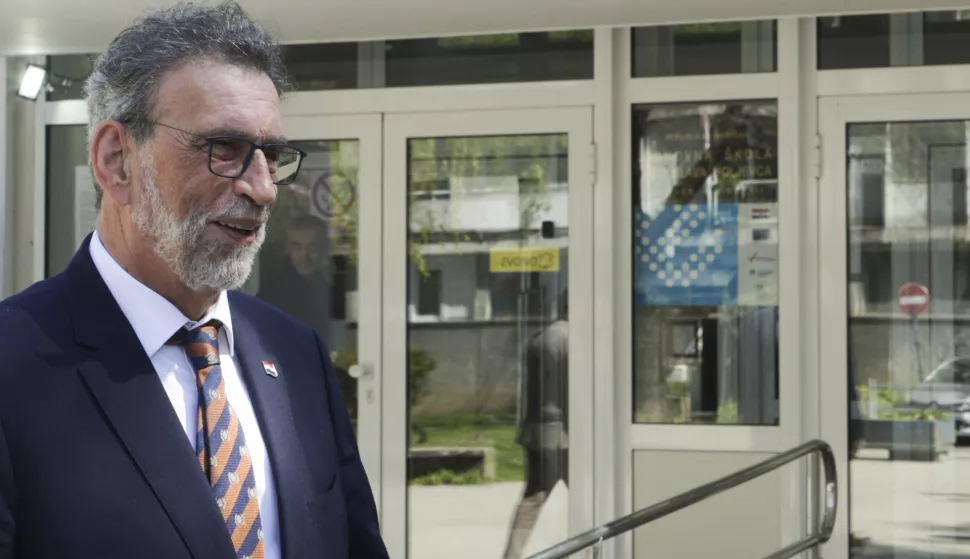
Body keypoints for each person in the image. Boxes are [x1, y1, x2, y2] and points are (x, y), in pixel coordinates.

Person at [0, 3, 388, 558]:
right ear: (116, 160)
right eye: (224, 149)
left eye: (272, 155)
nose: (263, 189)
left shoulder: (294, 353)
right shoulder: (14, 365)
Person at [502, 289, 569, 559]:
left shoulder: (541, 337)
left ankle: (512, 555)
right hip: (561, 433)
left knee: (533, 497)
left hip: (536, 430)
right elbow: (572, 387)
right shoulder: (568, 337)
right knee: (590, 495)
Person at [257, 215, 334, 339]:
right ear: (288, 249)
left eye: (313, 247)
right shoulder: (272, 293)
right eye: (297, 247)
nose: (305, 256)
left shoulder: (329, 285)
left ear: (325, 248)